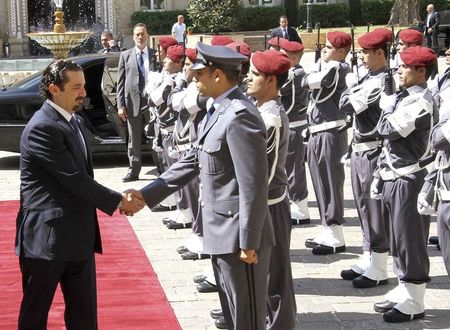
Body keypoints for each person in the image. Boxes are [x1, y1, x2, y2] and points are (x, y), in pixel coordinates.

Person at [130, 42, 275, 330]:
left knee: (248, 319)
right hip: (221, 232)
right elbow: (192, 161)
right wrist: (147, 195)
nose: (194, 79)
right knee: (234, 315)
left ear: (218, 75)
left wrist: (249, 240)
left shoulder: (239, 115)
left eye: (199, 74)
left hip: (238, 237)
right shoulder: (218, 111)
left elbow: (253, 185)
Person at [15, 59, 145, 330]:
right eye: (76, 87)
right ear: (53, 88)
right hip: (46, 242)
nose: (84, 93)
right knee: (35, 315)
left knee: (84, 316)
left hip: (78, 236)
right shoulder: (43, 127)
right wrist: (120, 200)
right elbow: (74, 179)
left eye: (84, 86)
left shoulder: (73, 120)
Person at [371, 46, 437, 323]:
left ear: (421, 71)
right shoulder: (405, 97)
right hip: (392, 175)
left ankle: (414, 298)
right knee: (396, 236)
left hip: (409, 177)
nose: (399, 71)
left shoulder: (421, 101)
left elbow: (389, 130)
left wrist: (385, 109)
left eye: (405, 67)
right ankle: (403, 287)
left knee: (409, 239)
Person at [246, 49, 297, 330]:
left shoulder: (272, 118)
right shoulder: (260, 110)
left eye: (254, 75)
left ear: (270, 82)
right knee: (263, 272)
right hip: (264, 204)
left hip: (271, 205)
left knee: (276, 274)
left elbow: (265, 171)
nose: (248, 79)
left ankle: (280, 324)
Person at [339, 28, 392, 288]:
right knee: (362, 206)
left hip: (373, 151)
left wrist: (350, 93)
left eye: (366, 53)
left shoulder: (383, 82)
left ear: (380, 53)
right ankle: (369, 255)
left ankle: (380, 266)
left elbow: (348, 105)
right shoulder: (368, 78)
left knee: (374, 209)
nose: (361, 57)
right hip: (360, 149)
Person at [302, 31, 351, 255]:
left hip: (331, 131)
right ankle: (327, 227)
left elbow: (311, 81)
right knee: (320, 181)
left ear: (341, 52)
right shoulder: (326, 66)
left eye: (330, 47)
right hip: (317, 131)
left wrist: (317, 68)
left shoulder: (339, 69)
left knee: (331, 181)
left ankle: (336, 233)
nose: (324, 49)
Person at [116, 23, 157, 182]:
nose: (140, 37)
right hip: (132, 104)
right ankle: (133, 171)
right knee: (134, 140)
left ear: (147, 36)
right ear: (133, 37)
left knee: (155, 137)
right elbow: (120, 83)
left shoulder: (154, 55)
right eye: (137, 34)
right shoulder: (125, 55)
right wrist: (120, 106)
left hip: (152, 103)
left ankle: (161, 167)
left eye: (143, 34)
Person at [279, 39, 311, 225]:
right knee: (291, 167)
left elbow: (278, 90)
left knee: (293, 168)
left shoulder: (292, 75)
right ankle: (297, 204)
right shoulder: (295, 73)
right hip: (294, 125)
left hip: (294, 126)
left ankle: (300, 208)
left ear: (291, 58)